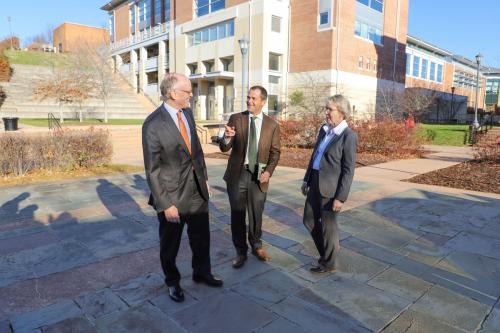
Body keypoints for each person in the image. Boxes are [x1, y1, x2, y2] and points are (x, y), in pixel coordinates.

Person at [142, 73, 223, 303]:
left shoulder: (187, 113)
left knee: (201, 237)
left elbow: (196, 151)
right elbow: (152, 170)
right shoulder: (153, 124)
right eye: (188, 91)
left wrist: (204, 178)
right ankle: (172, 281)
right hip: (172, 196)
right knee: (170, 245)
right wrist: (165, 204)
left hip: (197, 190)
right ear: (172, 94)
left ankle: (202, 272)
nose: (192, 95)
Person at [220, 86, 281, 268]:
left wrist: (269, 171)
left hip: (259, 176)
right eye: (248, 98)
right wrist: (226, 138)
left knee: (256, 214)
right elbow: (224, 147)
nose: (249, 101)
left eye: (253, 98)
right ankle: (240, 251)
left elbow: (275, 153)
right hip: (237, 174)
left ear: (263, 101)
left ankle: (256, 244)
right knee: (238, 215)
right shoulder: (236, 118)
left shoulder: (272, 125)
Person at [301, 95, 357, 273]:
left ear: (341, 112)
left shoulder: (348, 136)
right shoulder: (324, 130)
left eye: (330, 109)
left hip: (331, 189)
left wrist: (341, 197)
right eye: (326, 108)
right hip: (315, 181)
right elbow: (315, 156)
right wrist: (306, 178)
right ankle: (327, 253)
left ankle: (328, 262)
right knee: (308, 220)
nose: (326, 112)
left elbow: (348, 170)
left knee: (328, 227)